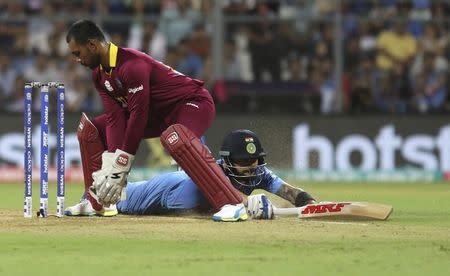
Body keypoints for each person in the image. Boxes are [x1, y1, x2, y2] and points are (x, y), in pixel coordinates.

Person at [65, 20, 215, 212]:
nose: (77, 59)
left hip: (192, 104)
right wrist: (112, 162)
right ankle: (98, 202)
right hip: (159, 116)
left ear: (92, 45)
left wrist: (122, 163)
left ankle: (231, 202)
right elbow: (115, 118)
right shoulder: (99, 75)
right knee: (91, 130)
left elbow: (138, 114)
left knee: (178, 142)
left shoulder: (131, 65)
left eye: (78, 53)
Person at [65, 129, 316, 221]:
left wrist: (308, 201)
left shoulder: (257, 172)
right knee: (109, 200)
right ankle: (93, 196)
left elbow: (288, 191)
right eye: (243, 161)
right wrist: (251, 204)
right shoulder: (212, 173)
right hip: (164, 191)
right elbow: (226, 197)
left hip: (177, 193)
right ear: (228, 162)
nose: (250, 166)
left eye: (254, 160)